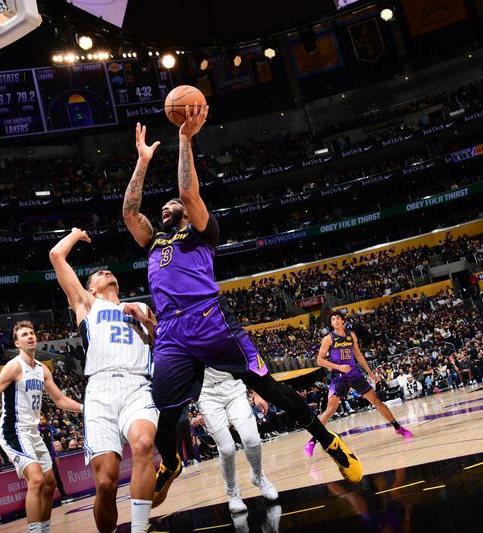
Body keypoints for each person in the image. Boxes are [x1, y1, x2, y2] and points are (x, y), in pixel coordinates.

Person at [122, 115, 362, 509]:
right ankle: (171, 464)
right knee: (165, 412)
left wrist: (184, 139)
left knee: (269, 388)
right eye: (163, 205)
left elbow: (188, 191)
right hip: (171, 331)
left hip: (209, 319)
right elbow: (130, 213)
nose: (166, 205)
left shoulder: (202, 229)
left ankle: (329, 441)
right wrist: (143, 160)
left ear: (187, 210)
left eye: (172, 204)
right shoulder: (154, 240)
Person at [49, 228, 158, 533]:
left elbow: (165, 341)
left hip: (137, 385)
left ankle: (139, 529)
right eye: (98, 273)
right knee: (107, 482)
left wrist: (147, 319)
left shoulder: (140, 308)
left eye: (108, 271)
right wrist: (74, 235)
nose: (106, 271)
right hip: (99, 390)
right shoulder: (87, 304)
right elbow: (56, 256)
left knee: (144, 442)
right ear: (92, 288)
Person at [0, 321, 83, 533]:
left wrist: (85, 408)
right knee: (36, 479)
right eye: (25, 335)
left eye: (32, 333)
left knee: (50, 482)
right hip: (13, 431)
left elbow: (60, 400)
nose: (30, 336)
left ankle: (43, 530)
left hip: (33, 433)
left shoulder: (43, 369)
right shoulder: (15, 366)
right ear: (17, 343)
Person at [305, 313, 412, 457]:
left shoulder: (351, 336)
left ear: (343, 321)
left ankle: (398, 427)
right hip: (339, 377)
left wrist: (370, 373)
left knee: (376, 401)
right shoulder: (328, 338)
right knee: (330, 410)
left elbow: (359, 355)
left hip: (355, 375)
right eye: (332, 319)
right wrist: (338, 366)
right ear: (331, 324)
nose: (335, 320)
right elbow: (319, 360)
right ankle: (312, 441)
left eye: (337, 318)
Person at [197, 367, 278, 513]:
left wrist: (257, 392)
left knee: (251, 439)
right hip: (206, 394)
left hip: (234, 387)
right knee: (227, 449)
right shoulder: (181, 343)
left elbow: (247, 358)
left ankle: (258, 476)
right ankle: (232, 492)